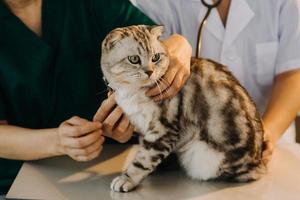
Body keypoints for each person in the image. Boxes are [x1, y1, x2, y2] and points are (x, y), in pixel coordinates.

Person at [0, 0, 192, 195]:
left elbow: (154, 47)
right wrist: (60, 141)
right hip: (21, 178)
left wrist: (180, 45)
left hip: (113, 167)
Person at [129, 0, 300, 163]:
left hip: (274, 152)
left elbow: (293, 73)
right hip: (188, 155)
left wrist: (266, 134)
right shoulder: (153, 4)